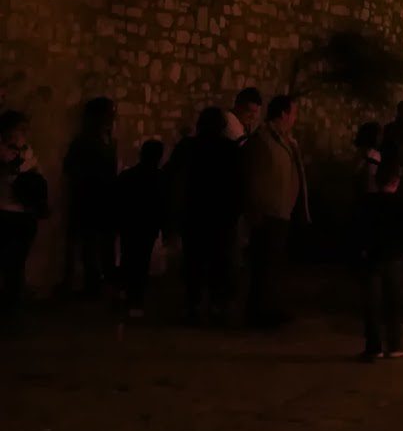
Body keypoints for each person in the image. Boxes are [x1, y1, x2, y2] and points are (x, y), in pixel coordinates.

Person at [243, 95, 308, 328]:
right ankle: (260, 312)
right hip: (268, 211)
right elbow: (252, 176)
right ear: (283, 114)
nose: (294, 118)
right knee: (264, 265)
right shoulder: (262, 140)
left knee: (275, 264)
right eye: (293, 113)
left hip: (281, 211)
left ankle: (270, 308)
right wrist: (255, 208)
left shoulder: (284, 141)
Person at [179, 107, 242, 322]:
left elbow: (178, 179)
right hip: (221, 216)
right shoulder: (230, 150)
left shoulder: (189, 148)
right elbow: (237, 184)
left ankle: (194, 304)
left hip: (195, 213)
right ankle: (217, 305)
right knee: (220, 262)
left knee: (194, 262)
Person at [60, 96, 119, 296]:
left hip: (105, 200)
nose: (112, 117)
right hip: (88, 200)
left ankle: (102, 281)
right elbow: (71, 168)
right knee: (90, 243)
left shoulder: (109, 140)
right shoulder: (84, 142)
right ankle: (92, 283)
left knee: (103, 243)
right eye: (108, 113)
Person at [355, 158, 403, 360]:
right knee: (394, 303)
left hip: (372, 259)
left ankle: (374, 346)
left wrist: (362, 250)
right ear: (396, 181)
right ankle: (395, 344)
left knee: (373, 304)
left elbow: (358, 230)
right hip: (394, 259)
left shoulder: (367, 203)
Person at [115, 139, 166, 316]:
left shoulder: (128, 176)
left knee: (128, 256)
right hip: (148, 225)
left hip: (129, 224)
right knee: (141, 261)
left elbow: (118, 200)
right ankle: (135, 299)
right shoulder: (160, 178)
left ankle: (125, 292)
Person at [1, 110, 44, 316]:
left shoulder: (27, 151)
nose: (25, 133)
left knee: (16, 263)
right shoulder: (4, 152)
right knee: (9, 262)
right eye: (21, 129)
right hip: (5, 214)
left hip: (24, 215)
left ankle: (13, 301)